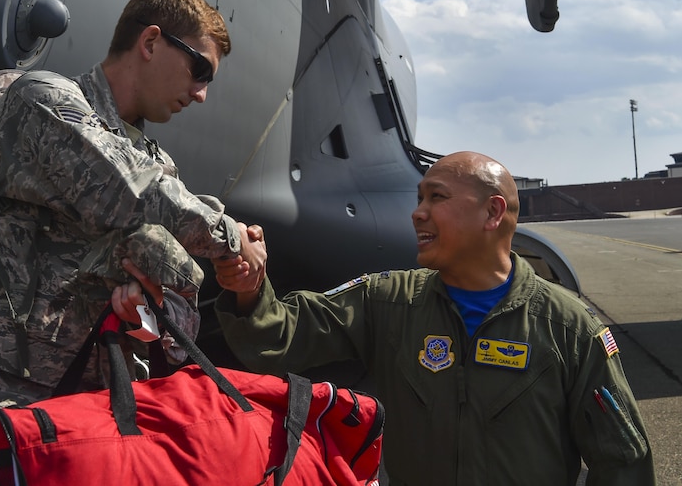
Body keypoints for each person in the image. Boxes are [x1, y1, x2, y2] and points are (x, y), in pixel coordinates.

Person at [0, 0, 266, 442]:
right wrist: (232, 237)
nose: (201, 93)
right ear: (152, 42)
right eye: (200, 70)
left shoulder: (159, 165)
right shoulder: (42, 102)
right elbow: (130, 192)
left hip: (85, 416)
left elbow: (181, 322)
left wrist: (148, 316)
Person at [202, 151, 655, 485]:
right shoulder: (388, 301)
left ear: (493, 212)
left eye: (436, 197)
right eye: (419, 198)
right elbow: (281, 336)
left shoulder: (568, 328)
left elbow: (623, 461)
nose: (418, 212)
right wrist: (250, 289)